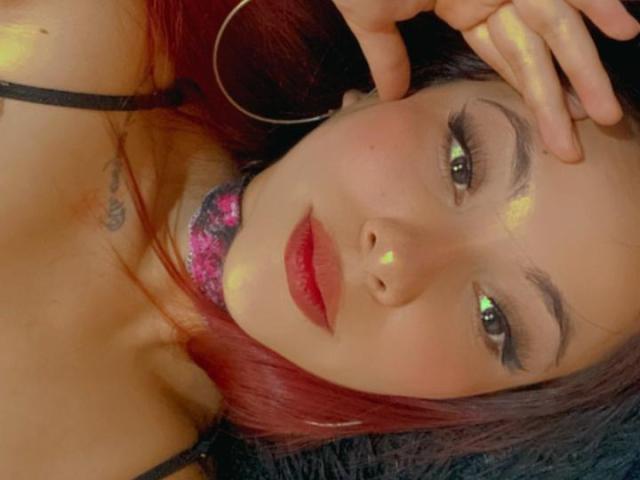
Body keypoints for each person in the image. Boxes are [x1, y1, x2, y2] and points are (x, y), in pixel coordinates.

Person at [0, 1, 638, 480]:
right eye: (461, 163)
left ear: (473, 404)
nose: (396, 259)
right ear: (384, 91)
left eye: (495, 320)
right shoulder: (86, 28)